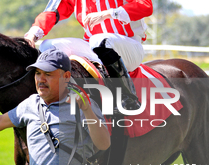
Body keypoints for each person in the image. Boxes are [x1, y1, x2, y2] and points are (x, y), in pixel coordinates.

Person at [24, 0, 153, 110]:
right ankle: (54, 97)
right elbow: (51, 12)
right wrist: (31, 36)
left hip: (129, 47)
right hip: (93, 47)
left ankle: (128, 97)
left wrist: (108, 14)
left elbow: (145, 6)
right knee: (47, 47)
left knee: (99, 40)